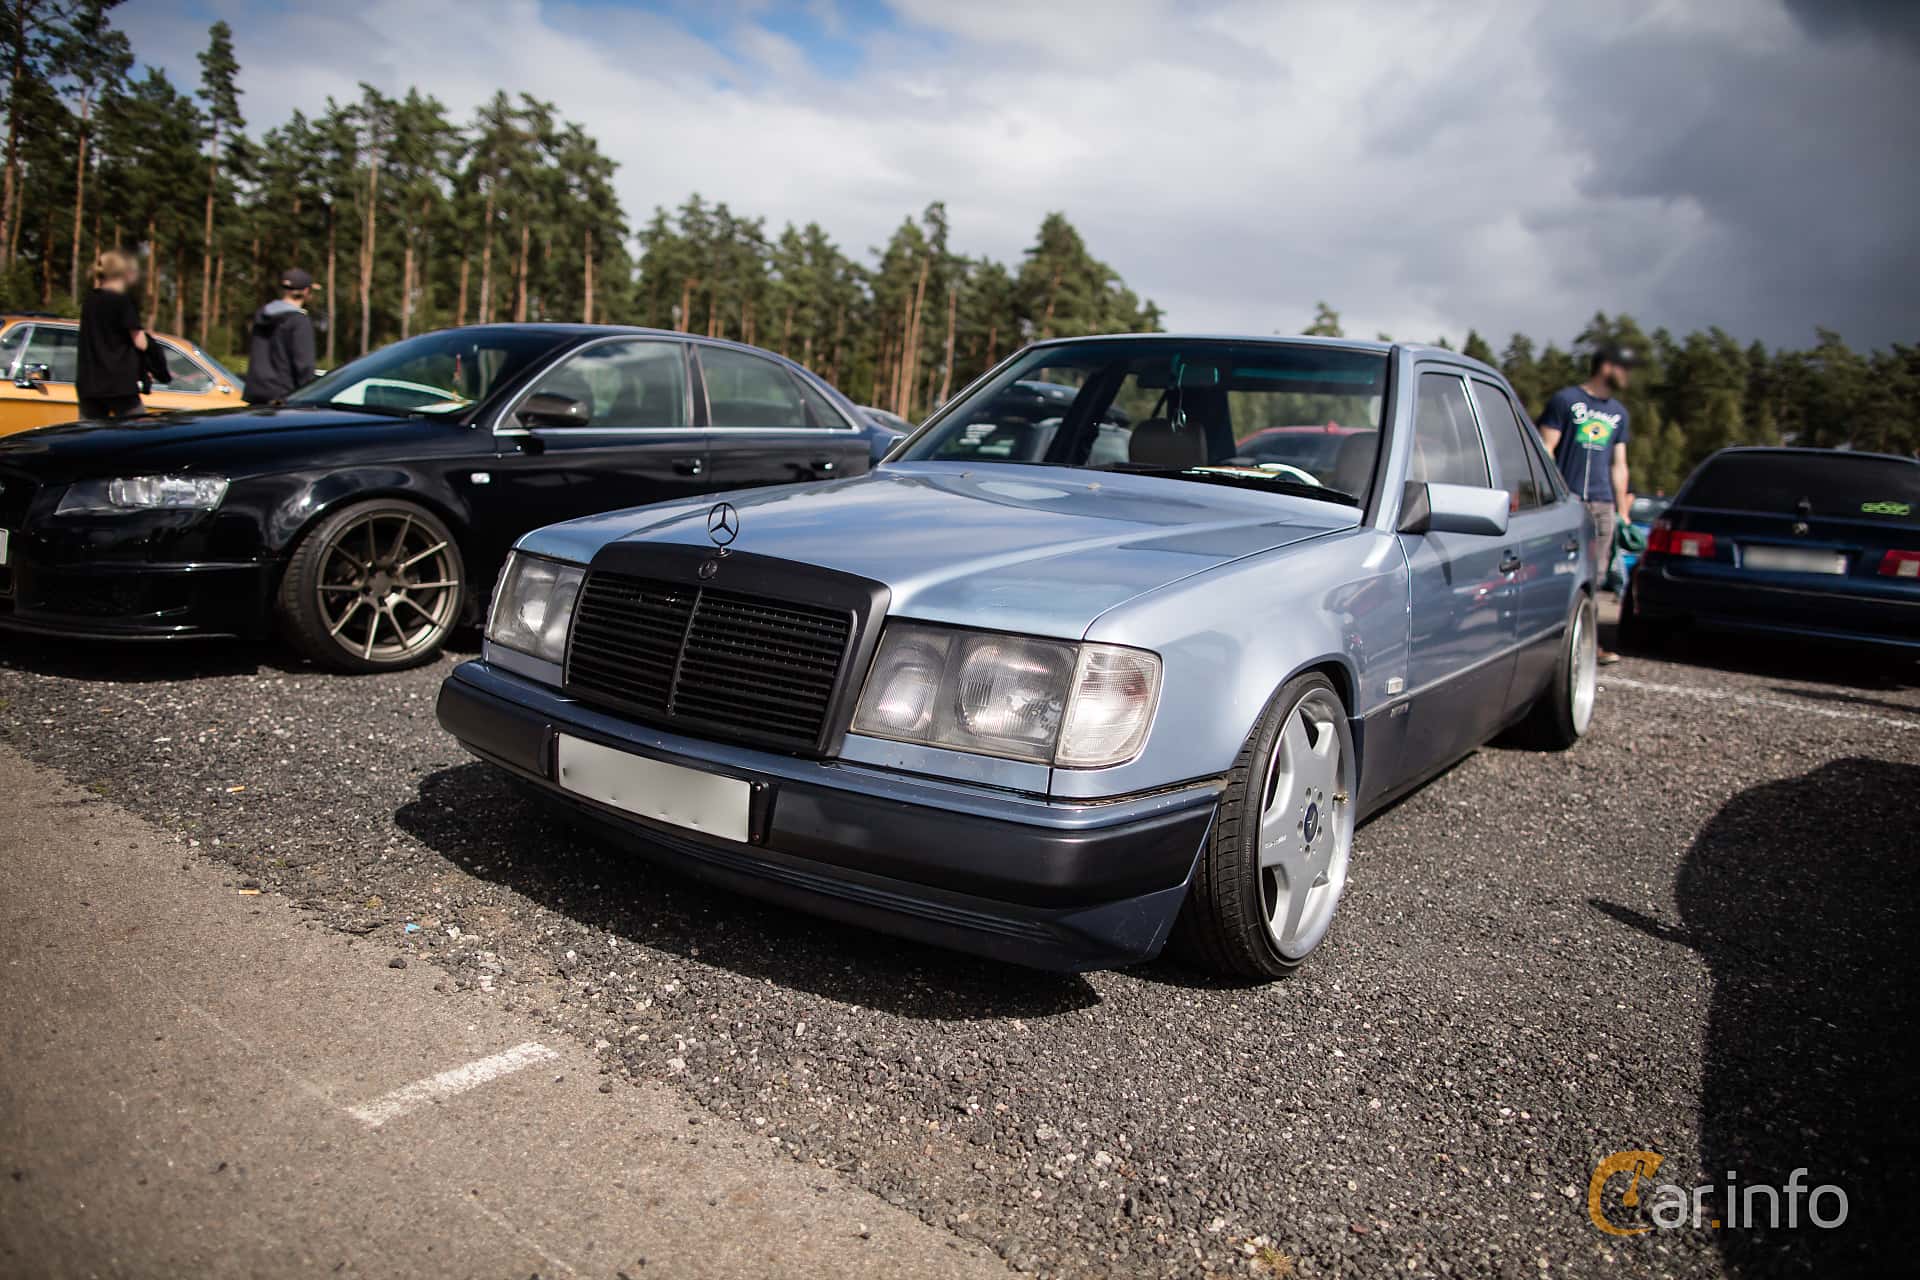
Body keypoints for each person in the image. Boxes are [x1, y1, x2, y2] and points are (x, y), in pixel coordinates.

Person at [1539, 344, 1636, 664]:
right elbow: (1545, 449)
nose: (1628, 375)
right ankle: (1549, 641)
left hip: (1603, 505)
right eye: (1624, 368)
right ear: (1607, 366)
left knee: (1596, 577)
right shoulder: (1566, 401)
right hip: (1569, 502)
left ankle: (1587, 645)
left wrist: (1622, 511)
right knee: (1559, 571)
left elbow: (1619, 465)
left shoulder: (1619, 413)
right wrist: (1555, 495)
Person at [75, 249, 149, 419]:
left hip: (89, 383)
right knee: (138, 429)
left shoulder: (90, 300)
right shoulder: (122, 302)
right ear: (126, 273)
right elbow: (141, 343)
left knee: (89, 432)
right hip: (119, 383)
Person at [242, 267, 319, 404]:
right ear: (306, 291)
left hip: (256, 395)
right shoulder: (299, 321)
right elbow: (304, 366)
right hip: (284, 398)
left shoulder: (261, 315)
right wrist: (310, 396)